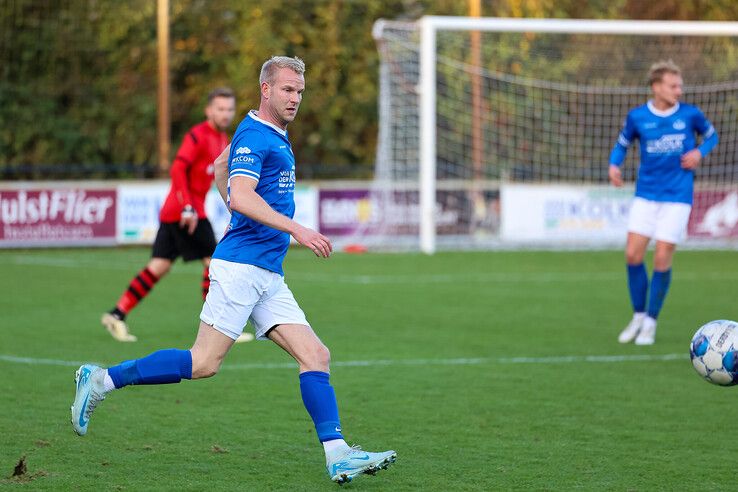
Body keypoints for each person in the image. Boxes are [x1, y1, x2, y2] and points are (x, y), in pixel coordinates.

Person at [71, 56, 396, 484]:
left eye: (299, 91)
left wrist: (236, 208)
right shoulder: (257, 136)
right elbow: (240, 194)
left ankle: (338, 455)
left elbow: (219, 168)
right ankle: (101, 380)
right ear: (265, 89)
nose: (295, 98)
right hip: (242, 268)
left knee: (315, 355)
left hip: (266, 272)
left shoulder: (267, 133)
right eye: (287, 90)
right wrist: (293, 227)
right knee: (204, 362)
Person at [101, 87, 251, 344]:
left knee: (159, 266)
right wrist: (187, 206)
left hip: (179, 212)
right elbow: (178, 168)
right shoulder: (197, 135)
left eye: (229, 109)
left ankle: (117, 314)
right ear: (209, 110)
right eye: (220, 108)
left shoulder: (222, 139)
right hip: (186, 212)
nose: (225, 114)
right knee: (214, 262)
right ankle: (218, 325)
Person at [609, 60, 718, 345]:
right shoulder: (637, 117)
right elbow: (622, 144)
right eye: (673, 85)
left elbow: (711, 136)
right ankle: (638, 316)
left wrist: (699, 153)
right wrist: (614, 166)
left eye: (680, 85)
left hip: (677, 197)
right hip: (646, 195)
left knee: (661, 257)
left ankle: (651, 323)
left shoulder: (691, 115)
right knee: (632, 255)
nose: (679, 91)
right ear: (656, 87)